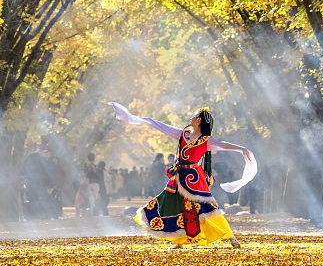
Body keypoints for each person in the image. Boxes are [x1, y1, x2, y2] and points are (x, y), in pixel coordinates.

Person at [109, 103, 257, 248]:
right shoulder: (183, 134)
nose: (191, 118)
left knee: (208, 207)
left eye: (194, 116)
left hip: (195, 178)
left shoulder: (206, 140)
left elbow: (222, 144)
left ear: (199, 120)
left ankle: (231, 237)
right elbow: (162, 127)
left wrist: (241, 149)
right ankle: (180, 240)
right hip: (179, 176)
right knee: (174, 204)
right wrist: (145, 120)